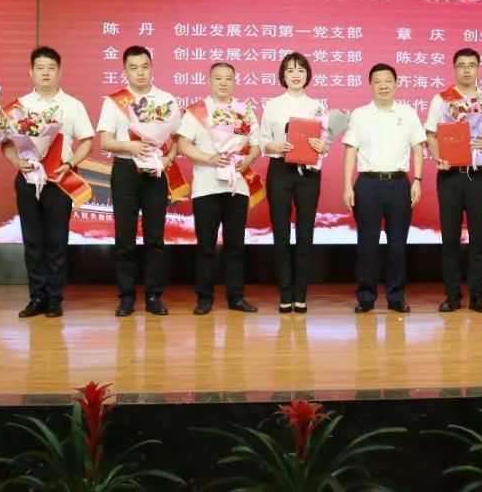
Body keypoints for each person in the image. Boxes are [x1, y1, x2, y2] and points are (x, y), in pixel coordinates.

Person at [2, 46, 94, 319]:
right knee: (33, 241)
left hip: (59, 181)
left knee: (56, 241)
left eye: (51, 68)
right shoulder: (18, 107)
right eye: (40, 68)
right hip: (28, 179)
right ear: (31, 72)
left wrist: (70, 163)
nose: (45, 73)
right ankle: (37, 297)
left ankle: (54, 298)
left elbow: (87, 141)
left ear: (59, 72)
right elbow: (5, 144)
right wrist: (17, 163)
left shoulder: (73, 105)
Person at [96, 45, 183, 317]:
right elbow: (106, 141)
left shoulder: (166, 99)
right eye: (133, 68)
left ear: (152, 67)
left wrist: (168, 159)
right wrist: (130, 147)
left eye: (145, 67)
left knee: (155, 236)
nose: (140, 73)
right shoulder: (114, 102)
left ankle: (154, 296)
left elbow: (178, 137)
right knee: (125, 236)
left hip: (155, 172)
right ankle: (126, 297)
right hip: (125, 170)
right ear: (125, 70)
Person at [177, 62, 262, 315]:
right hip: (206, 187)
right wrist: (210, 159)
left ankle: (236, 297)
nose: (223, 83)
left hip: (238, 187)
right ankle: (204, 298)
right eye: (218, 78)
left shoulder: (244, 111)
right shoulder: (196, 111)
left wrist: (249, 158)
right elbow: (183, 144)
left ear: (234, 82)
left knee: (235, 245)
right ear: (209, 81)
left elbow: (256, 144)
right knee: (206, 246)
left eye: (228, 78)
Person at [343, 63, 425, 314]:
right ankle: (366, 297)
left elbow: (418, 148)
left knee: (397, 243)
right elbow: (350, 151)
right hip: (367, 184)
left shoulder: (408, 113)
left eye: (388, 81)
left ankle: (396, 296)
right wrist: (347, 186)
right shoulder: (360, 114)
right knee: (367, 243)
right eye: (377, 81)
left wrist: (417, 180)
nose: (383, 86)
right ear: (370, 85)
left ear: (396, 84)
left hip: (399, 183)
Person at [425, 48, 482, 313]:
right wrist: (438, 157)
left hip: (478, 175)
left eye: (471, 65)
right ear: (454, 69)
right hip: (450, 175)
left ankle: (478, 296)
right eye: (461, 65)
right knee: (450, 238)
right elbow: (431, 136)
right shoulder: (441, 100)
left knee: (479, 238)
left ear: (478, 68)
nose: (467, 70)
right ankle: (452, 295)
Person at [259, 52, 329, 313]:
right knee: (281, 233)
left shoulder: (318, 107)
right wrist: (276, 146)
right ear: (283, 76)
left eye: (300, 70)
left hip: (308, 173)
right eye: (290, 70)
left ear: (307, 74)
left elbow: (325, 145)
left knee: (305, 233)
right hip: (280, 171)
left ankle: (301, 294)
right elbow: (262, 140)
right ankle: (285, 293)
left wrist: (322, 147)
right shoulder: (273, 105)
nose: (296, 75)